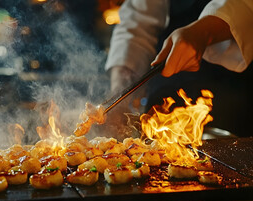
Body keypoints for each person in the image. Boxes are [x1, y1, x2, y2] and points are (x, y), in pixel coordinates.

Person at [104, 0, 253, 137]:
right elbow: (137, 23)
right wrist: (119, 96)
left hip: (235, 84)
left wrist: (202, 32)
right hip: (165, 84)